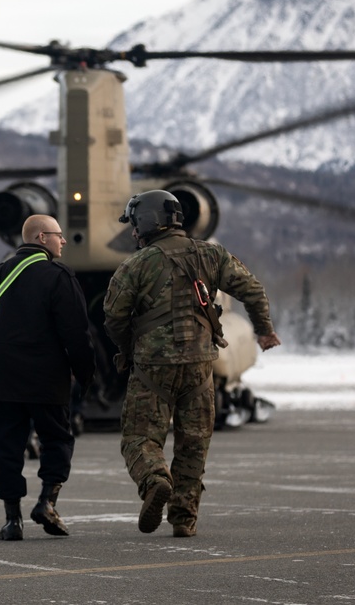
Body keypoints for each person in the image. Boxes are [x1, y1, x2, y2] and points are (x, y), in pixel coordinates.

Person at [103, 190, 281, 538]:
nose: (134, 233)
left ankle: (155, 480)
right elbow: (253, 290)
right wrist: (264, 331)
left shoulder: (135, 264)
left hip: (153, 367)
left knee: (139, 437)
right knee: (193, 442)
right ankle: (184, 518)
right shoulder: (212, 255)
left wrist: (128, 348)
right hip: (201, 366)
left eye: (135, 225)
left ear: (145, 223)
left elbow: (113, 317)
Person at [0, 214, 96, 541]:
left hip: (3, 383)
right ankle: (47, 503)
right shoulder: (59, 276)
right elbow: (77, 333)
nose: (63, 240)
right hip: (46, 381)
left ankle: (13, 520)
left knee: (4, 449)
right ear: (42, 238)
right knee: (56, 440)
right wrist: (86, 375)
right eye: (58, 235)